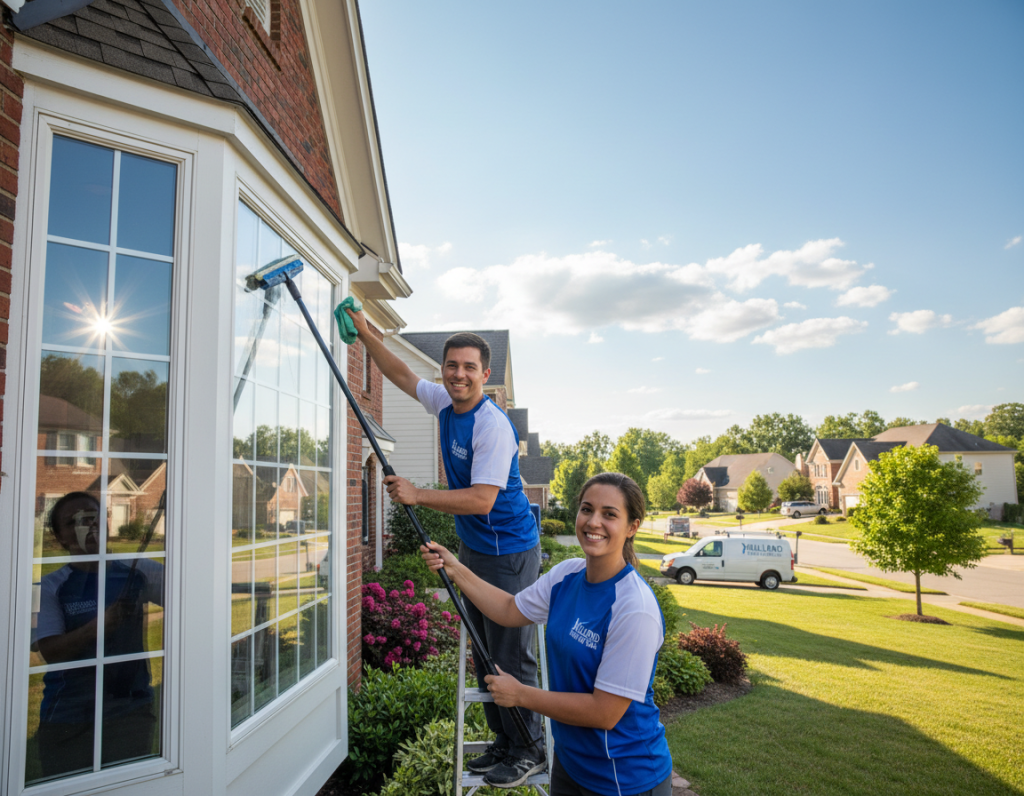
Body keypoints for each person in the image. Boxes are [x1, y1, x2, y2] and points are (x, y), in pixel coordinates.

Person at [346, 312, 544, 787]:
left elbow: (482, 499)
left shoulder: (491, 426)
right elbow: (400, 374)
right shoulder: (444, 403)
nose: (458, 374)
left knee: (510, 655)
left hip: (510, 553)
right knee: (483, 653)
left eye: (468, 367)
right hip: (476, 550)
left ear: (485, 375)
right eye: (451, 365)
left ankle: (529, 749)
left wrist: (417, 494)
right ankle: (503, 741)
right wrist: (366, 332)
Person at [422, 473, 673, 796]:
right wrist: (455, 568)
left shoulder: (634, 608)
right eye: (587, 509)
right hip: (570, 766)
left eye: (610, 514)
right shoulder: (566, 575)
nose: (594, 522)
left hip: (626, 777)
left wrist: (521, 695)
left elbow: (605, 713)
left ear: (632, 527)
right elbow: (509, 609)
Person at [33, 492, 163, 778]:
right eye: (75, 522)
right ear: (60, 538)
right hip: (69, 715)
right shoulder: (46, 587)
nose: (89, 526)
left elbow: (189, 594)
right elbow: (50, 652)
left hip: (132, 708)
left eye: (94, 517)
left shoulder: (137, 570)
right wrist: (102, 624)